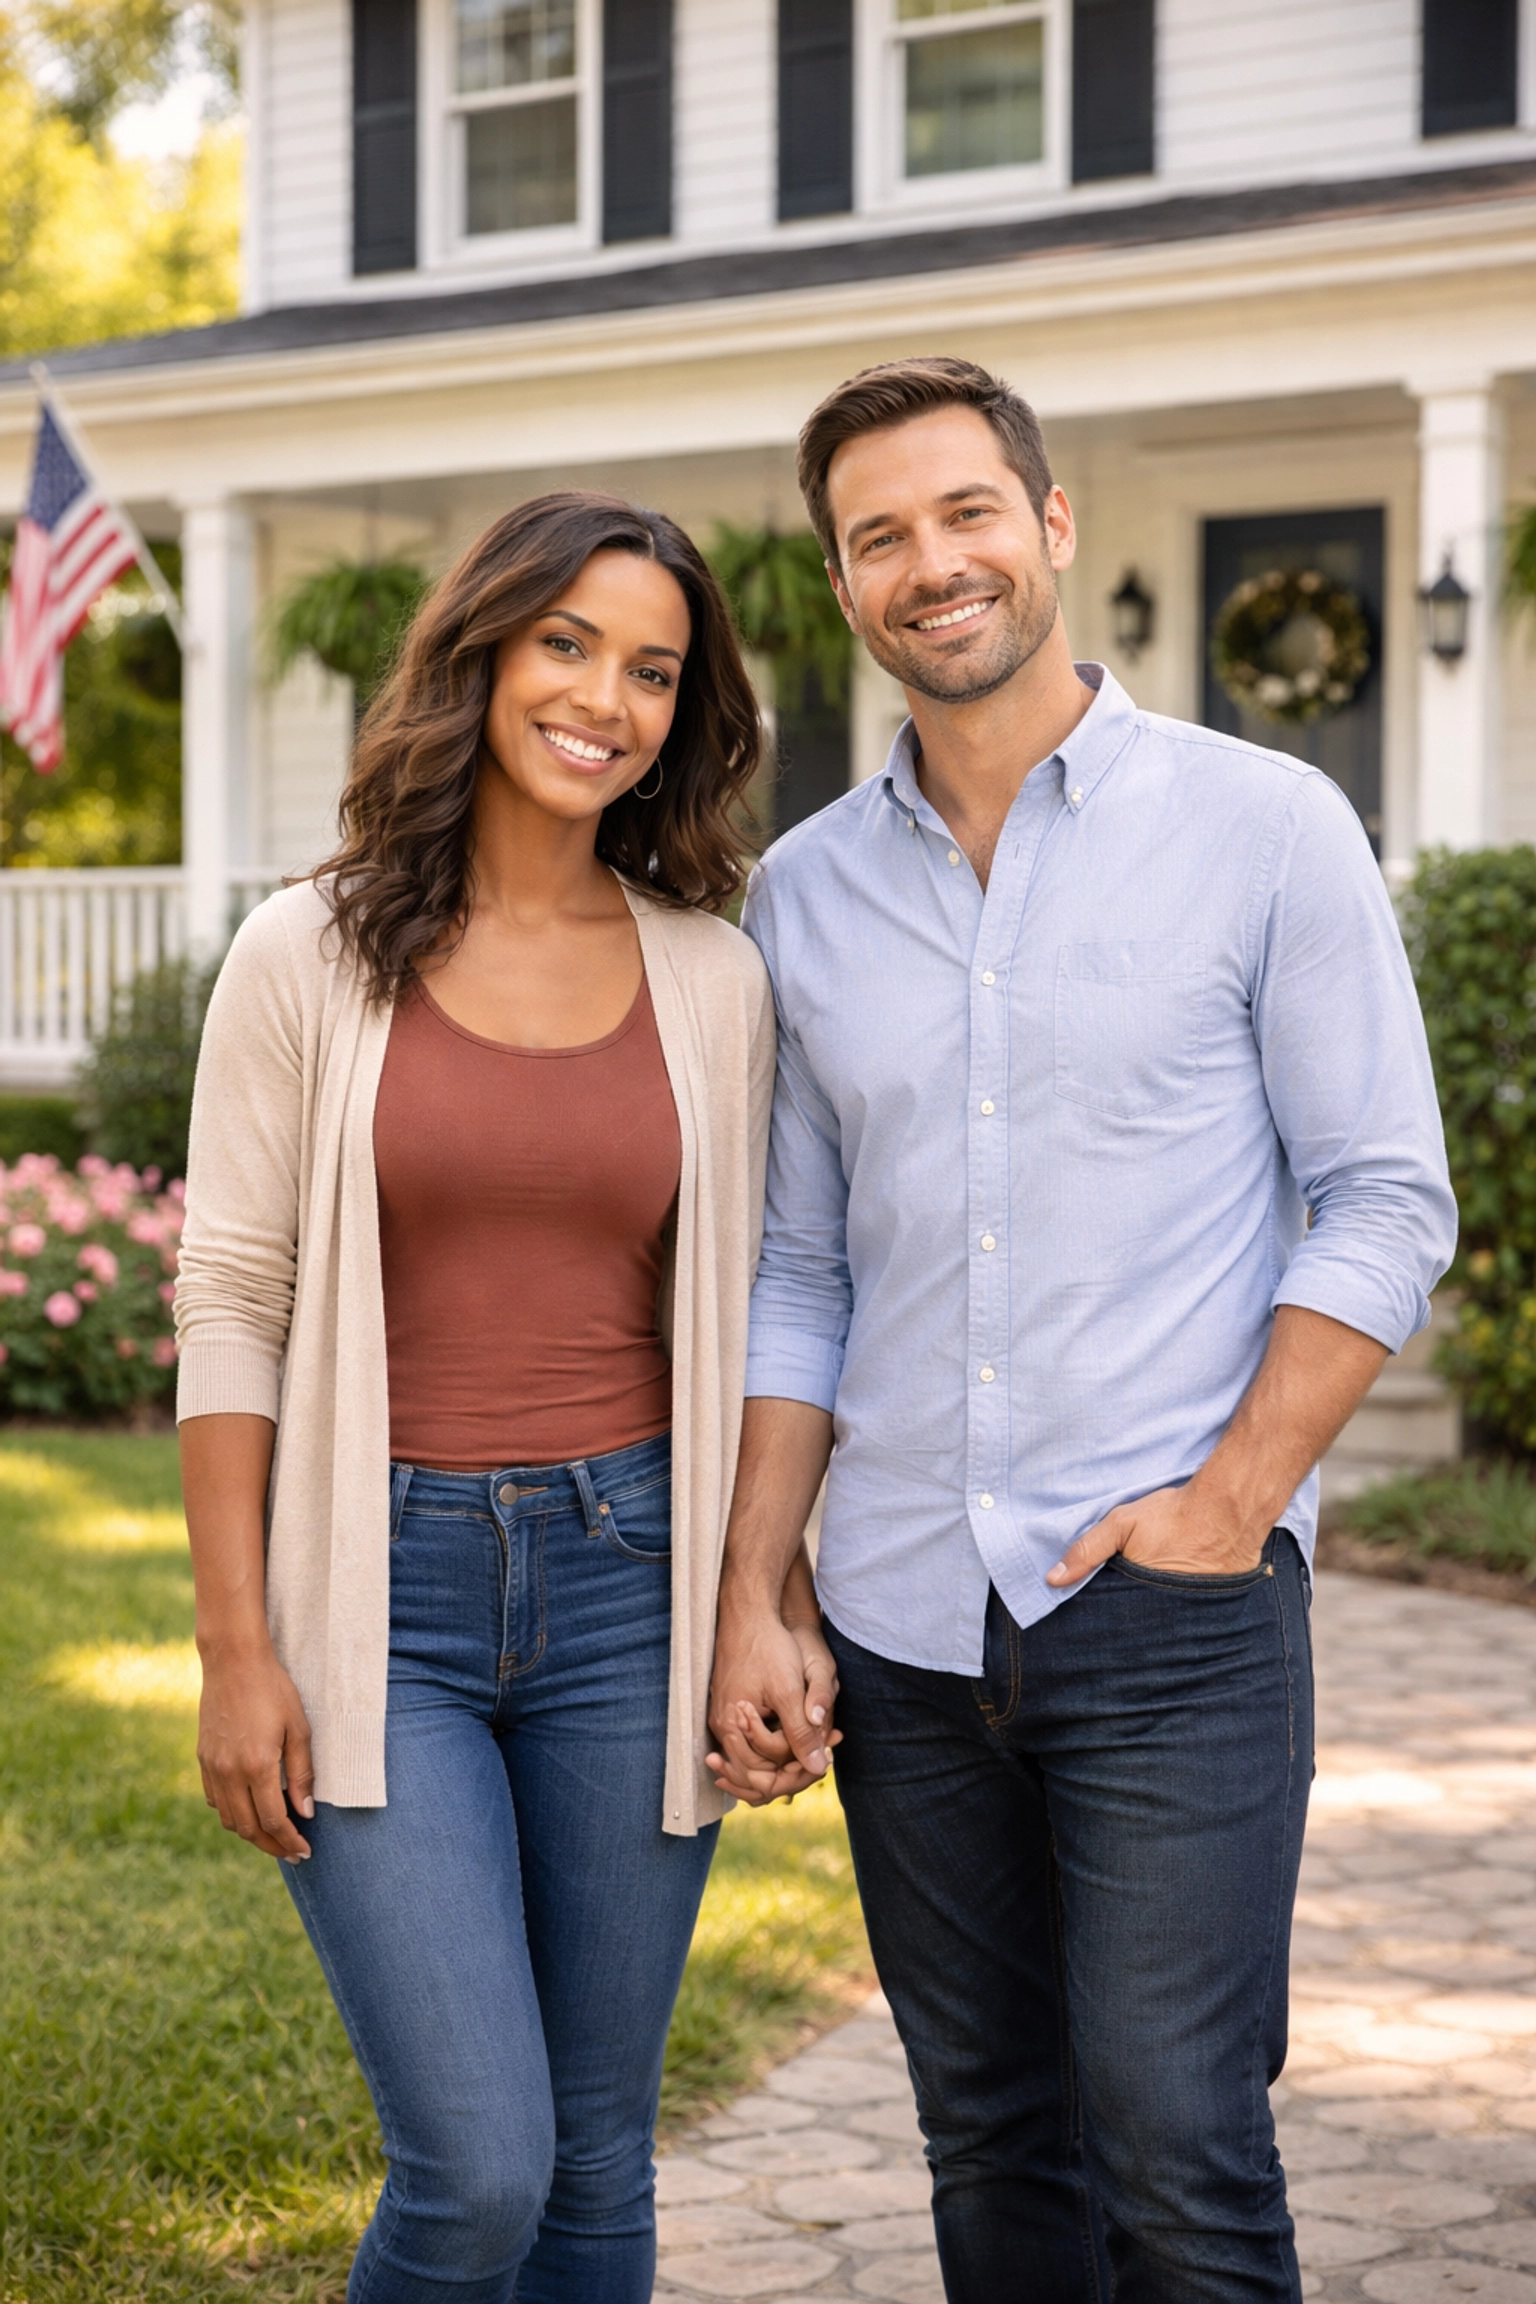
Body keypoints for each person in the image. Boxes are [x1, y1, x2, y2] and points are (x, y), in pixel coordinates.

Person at [706, 358, 1457, 2302]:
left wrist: (1239, 1498)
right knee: (990, 2138)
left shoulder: (1264, 826)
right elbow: (802, 1268)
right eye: (879, 536)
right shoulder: (803, 895)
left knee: (1184, 2152)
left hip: (1171, 1613)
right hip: (897, 1617)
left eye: (967, 513)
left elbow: (1384, 1196)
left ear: (1051, 527)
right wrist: (755, 1589)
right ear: (846, 586)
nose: (929, 563)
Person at [176, 491, 831, 2304]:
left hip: (636, 1582)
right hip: (382, 1594)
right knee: (477, 2169)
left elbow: (772, 1297)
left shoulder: (712, 976)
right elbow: (231, 1296)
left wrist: (756, 1604)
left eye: (651, 669)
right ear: (481, 653)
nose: (602, 699)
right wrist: (239, 1649)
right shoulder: (306, 954)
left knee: (599, 2168)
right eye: (566, 645)